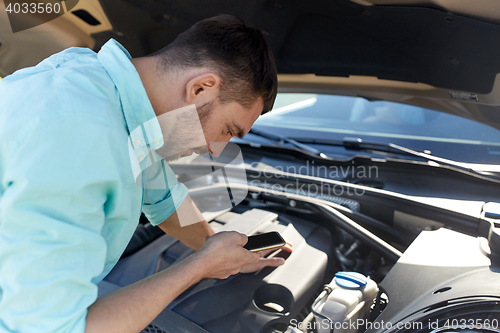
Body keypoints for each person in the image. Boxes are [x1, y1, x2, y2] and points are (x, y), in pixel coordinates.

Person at [0, 15, 286, 333]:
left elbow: (163, 197)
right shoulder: (79, 135)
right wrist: (200, 266)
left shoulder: (105, 90)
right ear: (201, 88)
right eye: (227, 130)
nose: (216, 150)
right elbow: (51, 329)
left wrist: (221, 250)